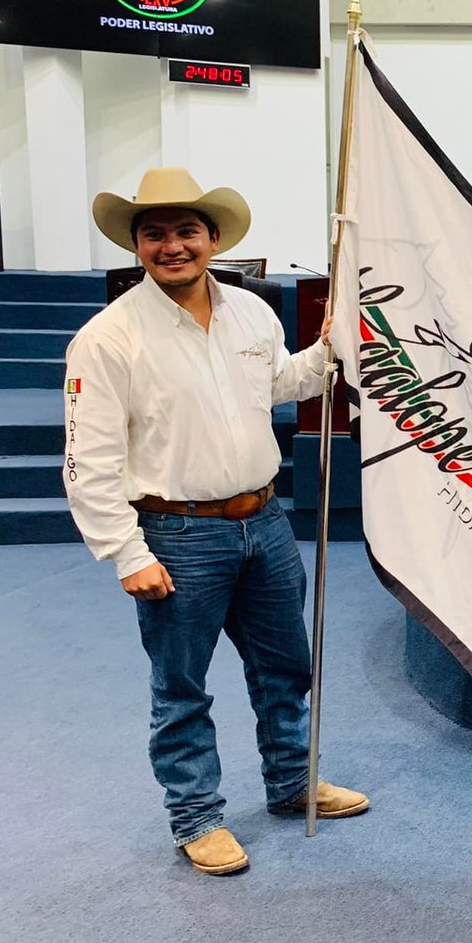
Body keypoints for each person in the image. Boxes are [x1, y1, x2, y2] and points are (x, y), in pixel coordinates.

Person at [63, 167, 367, 877]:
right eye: (155, 234)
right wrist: (126, 552)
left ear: (214, 239)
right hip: (178, 536)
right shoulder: (107, 338)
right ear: (137, 245)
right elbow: (88, 460)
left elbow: (277, 385)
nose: (172, 246)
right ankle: (196, 816)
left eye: (186, 232)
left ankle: (291, 783)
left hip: (265, 522)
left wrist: (326, 353)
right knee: (181, 688)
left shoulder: (252, 314)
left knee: (286, 669)